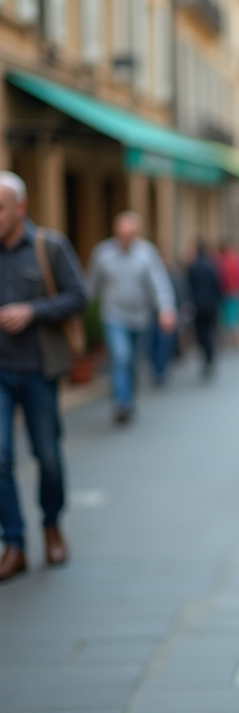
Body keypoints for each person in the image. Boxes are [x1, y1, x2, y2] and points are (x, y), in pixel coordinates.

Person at [0, 172, 87, 580]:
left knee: (47, 456)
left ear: (20, 207)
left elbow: (78, 296)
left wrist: (31, 311)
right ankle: (13, 543)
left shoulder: (48, 246)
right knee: (0, 459)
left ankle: (52, 527)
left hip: (39, 369)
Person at [88, 212, 176, 423]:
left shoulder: (147, 253)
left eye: (130, 233)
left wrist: (166, 309)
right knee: (121, 356)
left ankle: (128, 396)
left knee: (134, 362)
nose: (125, 237)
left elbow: (160, 284)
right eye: (122, 233)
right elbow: (91, 285)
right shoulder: (102, 253)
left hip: (140, 318)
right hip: (113, 315)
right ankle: (122, 403)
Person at [186, 240, 222, 380]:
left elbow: (189, 288)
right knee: (209, 333)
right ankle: (209, 358)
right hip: (210, 306)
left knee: (202, 335)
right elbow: (217, 287)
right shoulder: (210, 267)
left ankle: (206, 359)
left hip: (198, 307)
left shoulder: (193, 267)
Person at [216, 242, 239, 348]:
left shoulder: (224, 263)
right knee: (235, 316)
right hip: (235, 291)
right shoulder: (236, 261)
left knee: (231, 317)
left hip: (228, 292)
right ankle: (236, 338)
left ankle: (235, 339)